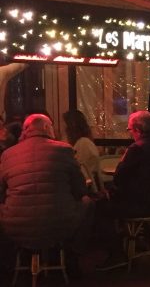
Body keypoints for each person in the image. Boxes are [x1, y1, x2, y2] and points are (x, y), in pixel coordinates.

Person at [0, 114, 91, 273]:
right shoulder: (64, 150)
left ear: (26, 131)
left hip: (16, 227)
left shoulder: (8, 154)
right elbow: (80, 189)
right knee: (87, 202)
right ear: (47, 128)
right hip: (59, 225)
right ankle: (74, 255)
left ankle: (10, 261)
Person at [97, 111, 150, 271]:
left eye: (130, 130)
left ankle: (116, 253)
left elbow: (118, 178)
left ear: (138, 129)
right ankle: (139, 239)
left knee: (101, 208)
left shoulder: (136, 148)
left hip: (140, 205)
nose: (130, 133)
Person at [63, 110, 101, 192]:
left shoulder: (83, 144)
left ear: (72, 128)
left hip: (86, 192)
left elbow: (79, 174)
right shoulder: (84, 142)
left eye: (65, 126)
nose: (63, 130)